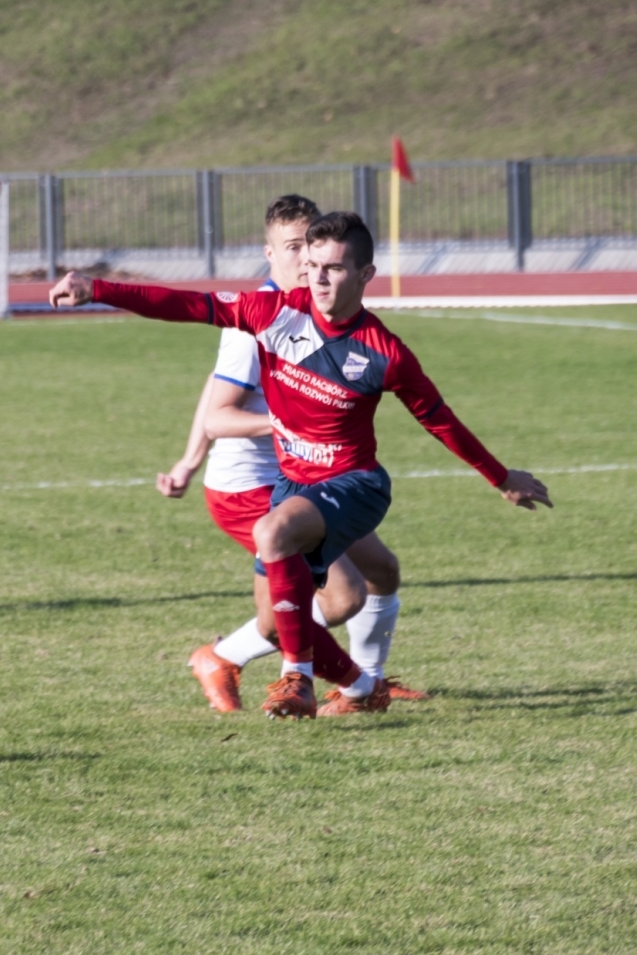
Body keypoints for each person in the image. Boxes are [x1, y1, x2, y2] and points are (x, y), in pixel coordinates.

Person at [51, 211, 550, 719]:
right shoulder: (272, 313)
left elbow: (439, 420)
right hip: (291, 485)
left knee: (277, 537)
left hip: (354, 485)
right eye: (311, 265)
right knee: (277, 617)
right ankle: (361, 689)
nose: (318, 278)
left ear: (364, 275)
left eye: (332, 267)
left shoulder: (386, 353)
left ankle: (298, 679)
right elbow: (187, 304)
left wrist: (501, 477)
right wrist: (97, 289)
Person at [156, 194, 427, 716]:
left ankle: (366, 682)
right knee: (338, 598)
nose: (306, 260)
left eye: (313, 248)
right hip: (249, 487)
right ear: (271, 253)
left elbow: (210, 389)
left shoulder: (308, 312)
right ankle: (228, 660)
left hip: (308, 478)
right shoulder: (258, 320)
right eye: (294, 248)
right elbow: (220, 413)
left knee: (382, 571)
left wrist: (188, 462)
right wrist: (281, 423)